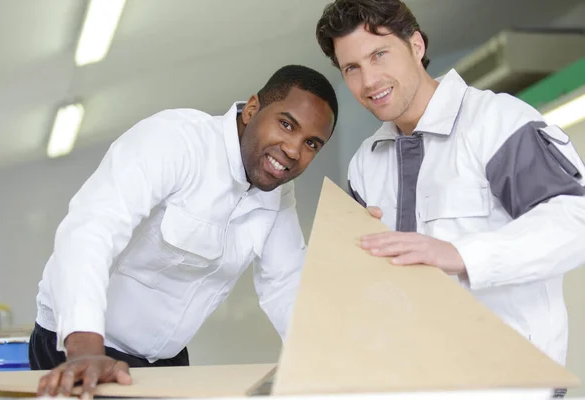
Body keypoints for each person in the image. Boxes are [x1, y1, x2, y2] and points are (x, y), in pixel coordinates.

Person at [315, 1, 585, 397]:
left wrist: (460, 255)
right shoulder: (365, 163)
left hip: (511, 386)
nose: (369, 80)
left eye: (379, 55)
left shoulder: (496, 122)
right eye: (351, 68)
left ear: (417, 45)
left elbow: (574, 222)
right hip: (413, 383)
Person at [30, 64, 338, 397]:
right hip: (82, 347)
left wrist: (326, 366)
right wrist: (86, 347)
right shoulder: (176, 141)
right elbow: (91, 229)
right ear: (252, 109)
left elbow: (285, 282)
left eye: (311, 144)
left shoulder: (277, 194)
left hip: (164, 363)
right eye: (285, 124)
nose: (293, 150)